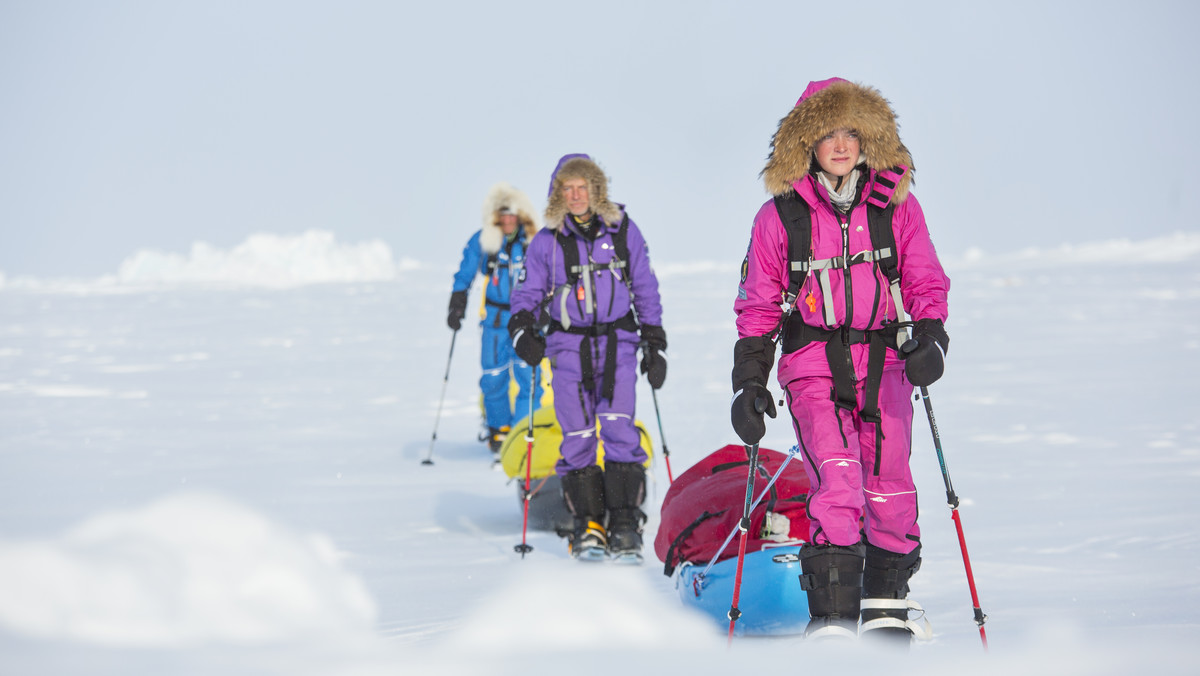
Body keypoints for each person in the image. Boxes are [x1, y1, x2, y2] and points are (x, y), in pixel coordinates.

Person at [731, 78, 950, 641]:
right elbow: (758, 302)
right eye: (828, 133)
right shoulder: (781, 217)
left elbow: (924, 277)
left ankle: (886, 610)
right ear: (807, 142)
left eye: (852, 132)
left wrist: (931, 338)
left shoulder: (895, 205)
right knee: (840, 479)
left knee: (892, 488)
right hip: (812, 363)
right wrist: (749, 382)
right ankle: (831, 619)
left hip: (886, 362)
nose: (841, 144)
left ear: (869, 139)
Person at [508, 154, 667, 562]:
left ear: (596, 190)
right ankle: (589, 525)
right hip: (567, 347)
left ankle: (625, 523)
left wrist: (654, 339)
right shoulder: (547, 241)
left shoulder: (622, 231)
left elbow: (644, 285)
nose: (577, 195)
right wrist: (523, 330)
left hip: (619, 344)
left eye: (584, 187)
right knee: (576, 435)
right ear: (558, 193)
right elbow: (527, 294)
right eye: (569, 188)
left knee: (619, 429)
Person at [448, 182, 544, 455]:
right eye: (504, 215)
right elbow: (465, 270)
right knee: (493, 377)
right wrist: (457, 302)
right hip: (495, 322)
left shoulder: (535, 242)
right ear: (496, 217)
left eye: (513, 214)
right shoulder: (484, 241)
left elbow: (552, 274)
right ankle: (499, 430)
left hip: (528, 320)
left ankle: (525, 430)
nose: (508, 220)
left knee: (530, 376)